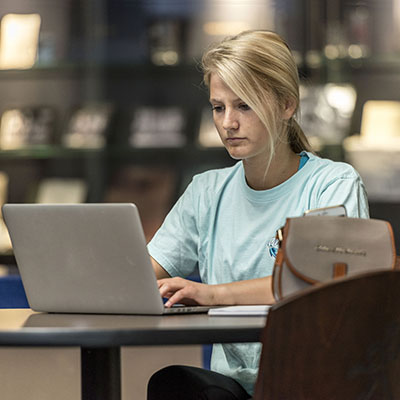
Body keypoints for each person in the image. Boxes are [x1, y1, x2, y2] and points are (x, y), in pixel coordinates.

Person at [146, 30, 369, 399]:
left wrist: (211, 294)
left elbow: (314, 284)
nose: (228, 123)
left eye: (244, 106)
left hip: (316, 384)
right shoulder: (206, 192)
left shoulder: (333, 184)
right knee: (173, 384)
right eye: (219, 107)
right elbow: (139, 276)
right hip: (236, 389)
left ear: (287, 105)